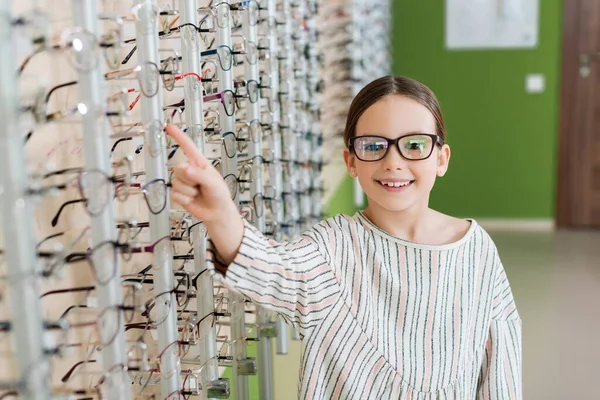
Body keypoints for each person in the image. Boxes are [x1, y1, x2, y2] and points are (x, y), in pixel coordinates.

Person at [166, 76, 522, 399]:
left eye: (414, 145)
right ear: (351, 161)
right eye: (373, 146)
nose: (393, 162)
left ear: (441, 159)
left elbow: (500, 369)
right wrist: (221, 214)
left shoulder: (476, 249)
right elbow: (272, 270)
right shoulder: (332, 248)